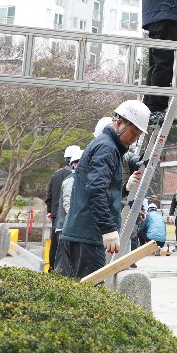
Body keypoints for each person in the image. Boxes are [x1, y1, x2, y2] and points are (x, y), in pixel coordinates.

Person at [57, 100, 150, 280]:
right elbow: (95, 190)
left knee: (72, 292)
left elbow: (96, 187)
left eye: (138, 136)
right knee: (88, 294)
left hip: (79, 232)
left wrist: (123, 189)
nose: (134, 139)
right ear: (121, 122)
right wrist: (107, 228)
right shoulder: (107, 148)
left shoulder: (106, 145)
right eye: (133, 133)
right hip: (88, 235)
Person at [44, 143, 81, 271]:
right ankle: (66, 270)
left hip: (55, 213)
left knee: (55, 243)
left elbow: (49, 194)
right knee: (67, 245)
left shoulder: (56, 174)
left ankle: (52, 267)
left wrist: (49, 210)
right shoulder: (76, 175)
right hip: (69, 215)